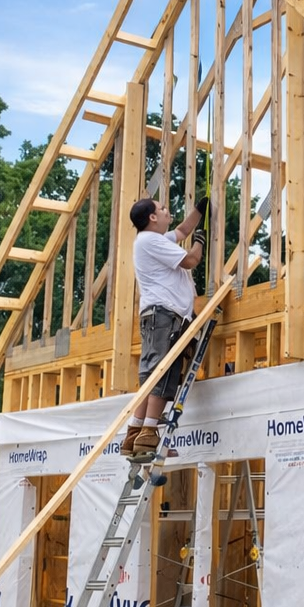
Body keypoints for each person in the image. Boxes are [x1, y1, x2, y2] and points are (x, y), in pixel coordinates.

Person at [124, 195, 207, 461]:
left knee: (151, 374)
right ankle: (148, 434)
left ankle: (134, 434)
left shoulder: (152, 240)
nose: (166, 210)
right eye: (161, 208)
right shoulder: (150, 241)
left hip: (159, 315)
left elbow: (182, 230)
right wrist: (201, 242)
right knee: (162, 373)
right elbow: (190, 261)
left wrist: (198, 212)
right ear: (151, 217)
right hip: (164, 316)